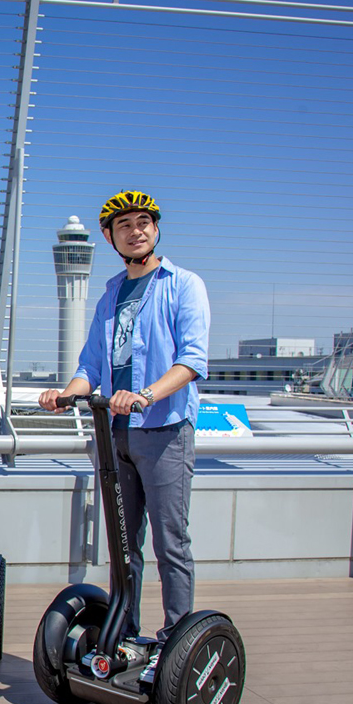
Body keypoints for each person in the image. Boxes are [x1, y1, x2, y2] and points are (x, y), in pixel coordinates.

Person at [38, 190, 210, 678]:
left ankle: (177, 645)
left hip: (163, 430)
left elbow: (193, 359)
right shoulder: (112, 293)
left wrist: (146, 394)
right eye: (125, 225)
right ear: (111, 238)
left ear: (156, 230)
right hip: (114, 434)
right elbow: (91, 365)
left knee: (170, 542)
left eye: (144, 222)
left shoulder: (183, 285)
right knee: (122, 544)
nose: (136, 230)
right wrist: (65, 394)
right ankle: (127, 634)